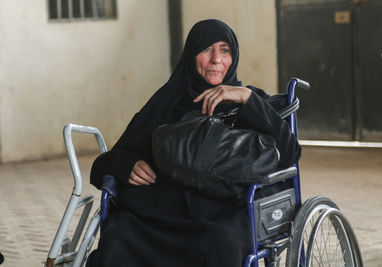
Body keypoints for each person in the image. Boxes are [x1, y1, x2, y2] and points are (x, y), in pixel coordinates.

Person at [90, 19, 301, 267]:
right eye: (205, 50)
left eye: (224, 50)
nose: (216, 59)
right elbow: (105, 163)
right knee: (121, 233)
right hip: (167, 209)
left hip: (230, 207)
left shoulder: (250, 101)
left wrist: (247, 98)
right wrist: (126, 164)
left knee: (222, 241)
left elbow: (289, 154)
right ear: (191, 56)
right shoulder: (167, 102)